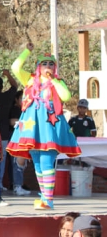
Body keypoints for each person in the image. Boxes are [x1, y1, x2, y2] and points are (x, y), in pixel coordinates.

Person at [7, 43, 81, 210]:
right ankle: (44, 197)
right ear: (38, 66)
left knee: (47, 159)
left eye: (51, 64)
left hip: (49, 125)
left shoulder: (57, 82)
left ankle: (48, 199)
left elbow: (66, 96)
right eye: (44, 63)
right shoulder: (30, 79)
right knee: (37, 162)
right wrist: (27, 51)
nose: (47, 66)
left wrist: (54, 79)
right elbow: (15, 67)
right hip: (32, 127)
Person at [9, 90, 30, 196]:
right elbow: (12, 122)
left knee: (22, 164)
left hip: (25, 140)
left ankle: (19, 185)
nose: (24, 100)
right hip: (17, 140)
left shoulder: (28, 111)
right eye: (22, 98)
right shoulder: (15, 109)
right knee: (18, 162)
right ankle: (17, 186)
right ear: (16, 100)